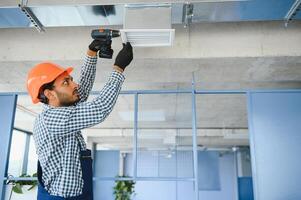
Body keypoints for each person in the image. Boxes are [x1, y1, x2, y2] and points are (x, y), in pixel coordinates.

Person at [26, 36, 133, 199]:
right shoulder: (53, 120)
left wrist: (92, 52)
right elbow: (99, 108)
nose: (74, 85)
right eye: (66, 83)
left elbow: (80, 93)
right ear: (49, 94)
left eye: (71, 80)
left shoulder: (60, 108)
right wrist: (118, 68)